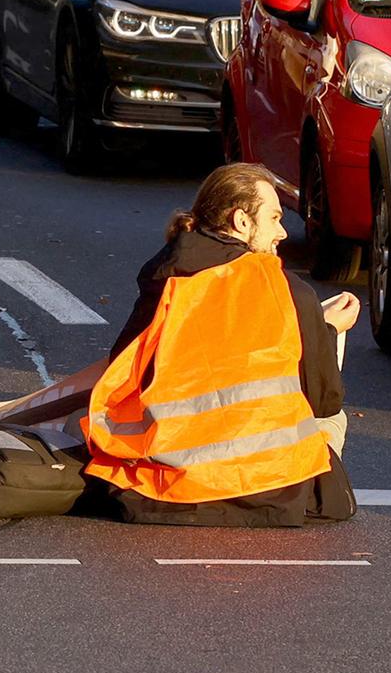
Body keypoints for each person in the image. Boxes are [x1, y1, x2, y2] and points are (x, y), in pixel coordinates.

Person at [84, 163, 358, 526]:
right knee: (332, 418)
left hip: (159, 484)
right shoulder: (289, 291)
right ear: (241, 221)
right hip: (265, 491)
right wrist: (326, 331)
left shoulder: (165, 276)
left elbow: (125, 367)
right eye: (274, 218)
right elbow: (322, 399)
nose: (282, 232)